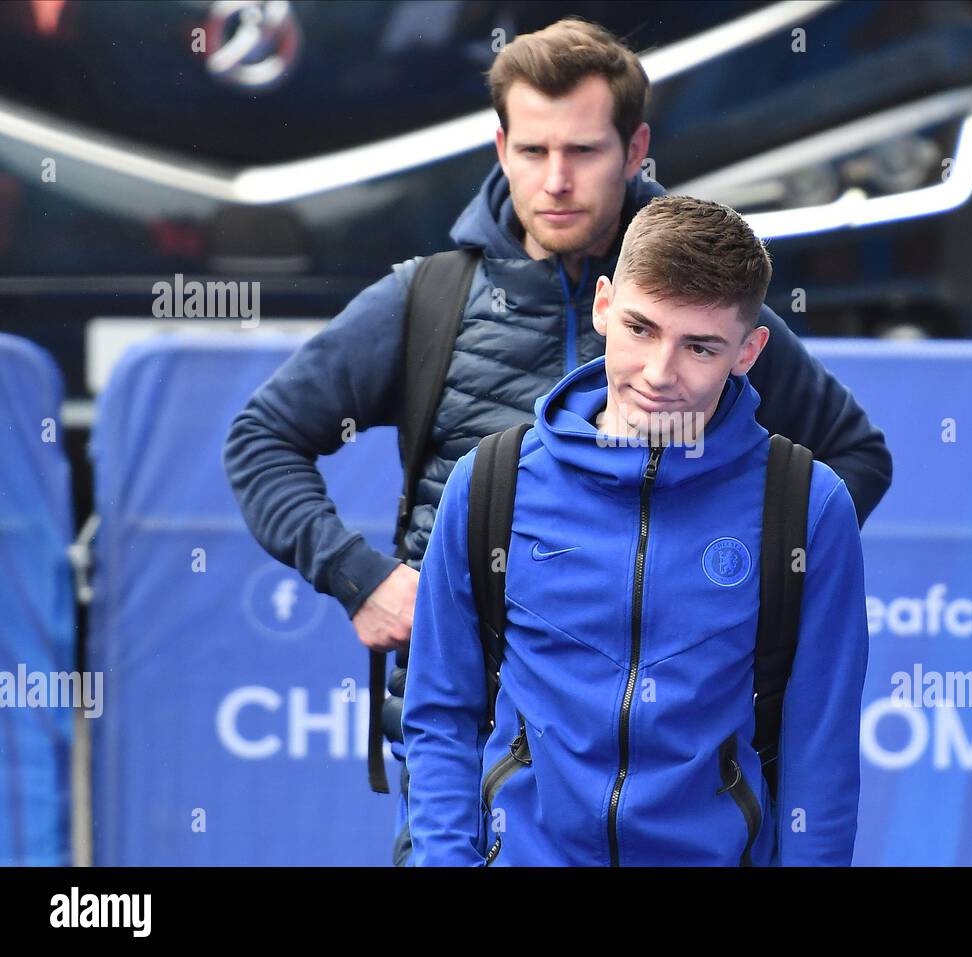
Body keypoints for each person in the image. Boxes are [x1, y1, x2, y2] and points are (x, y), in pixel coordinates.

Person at [222, 17, 890, 866]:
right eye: (532, 151)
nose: (557, 180)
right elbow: (260, 436)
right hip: (474, 755)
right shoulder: (428, 300)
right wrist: (365, 581)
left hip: (683, 789)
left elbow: (848, 461)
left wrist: (740, 580)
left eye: (583, 151)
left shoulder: (702, 296)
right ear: (499, 147)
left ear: (636, 148)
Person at [402, 195, 869, 866]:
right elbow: (441, 714)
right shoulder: (490, 482)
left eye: (699, 346)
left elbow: (820, 759)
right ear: (602, 306)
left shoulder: (808, 505)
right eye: (641, 328)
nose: (658, 373)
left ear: (750, 349)